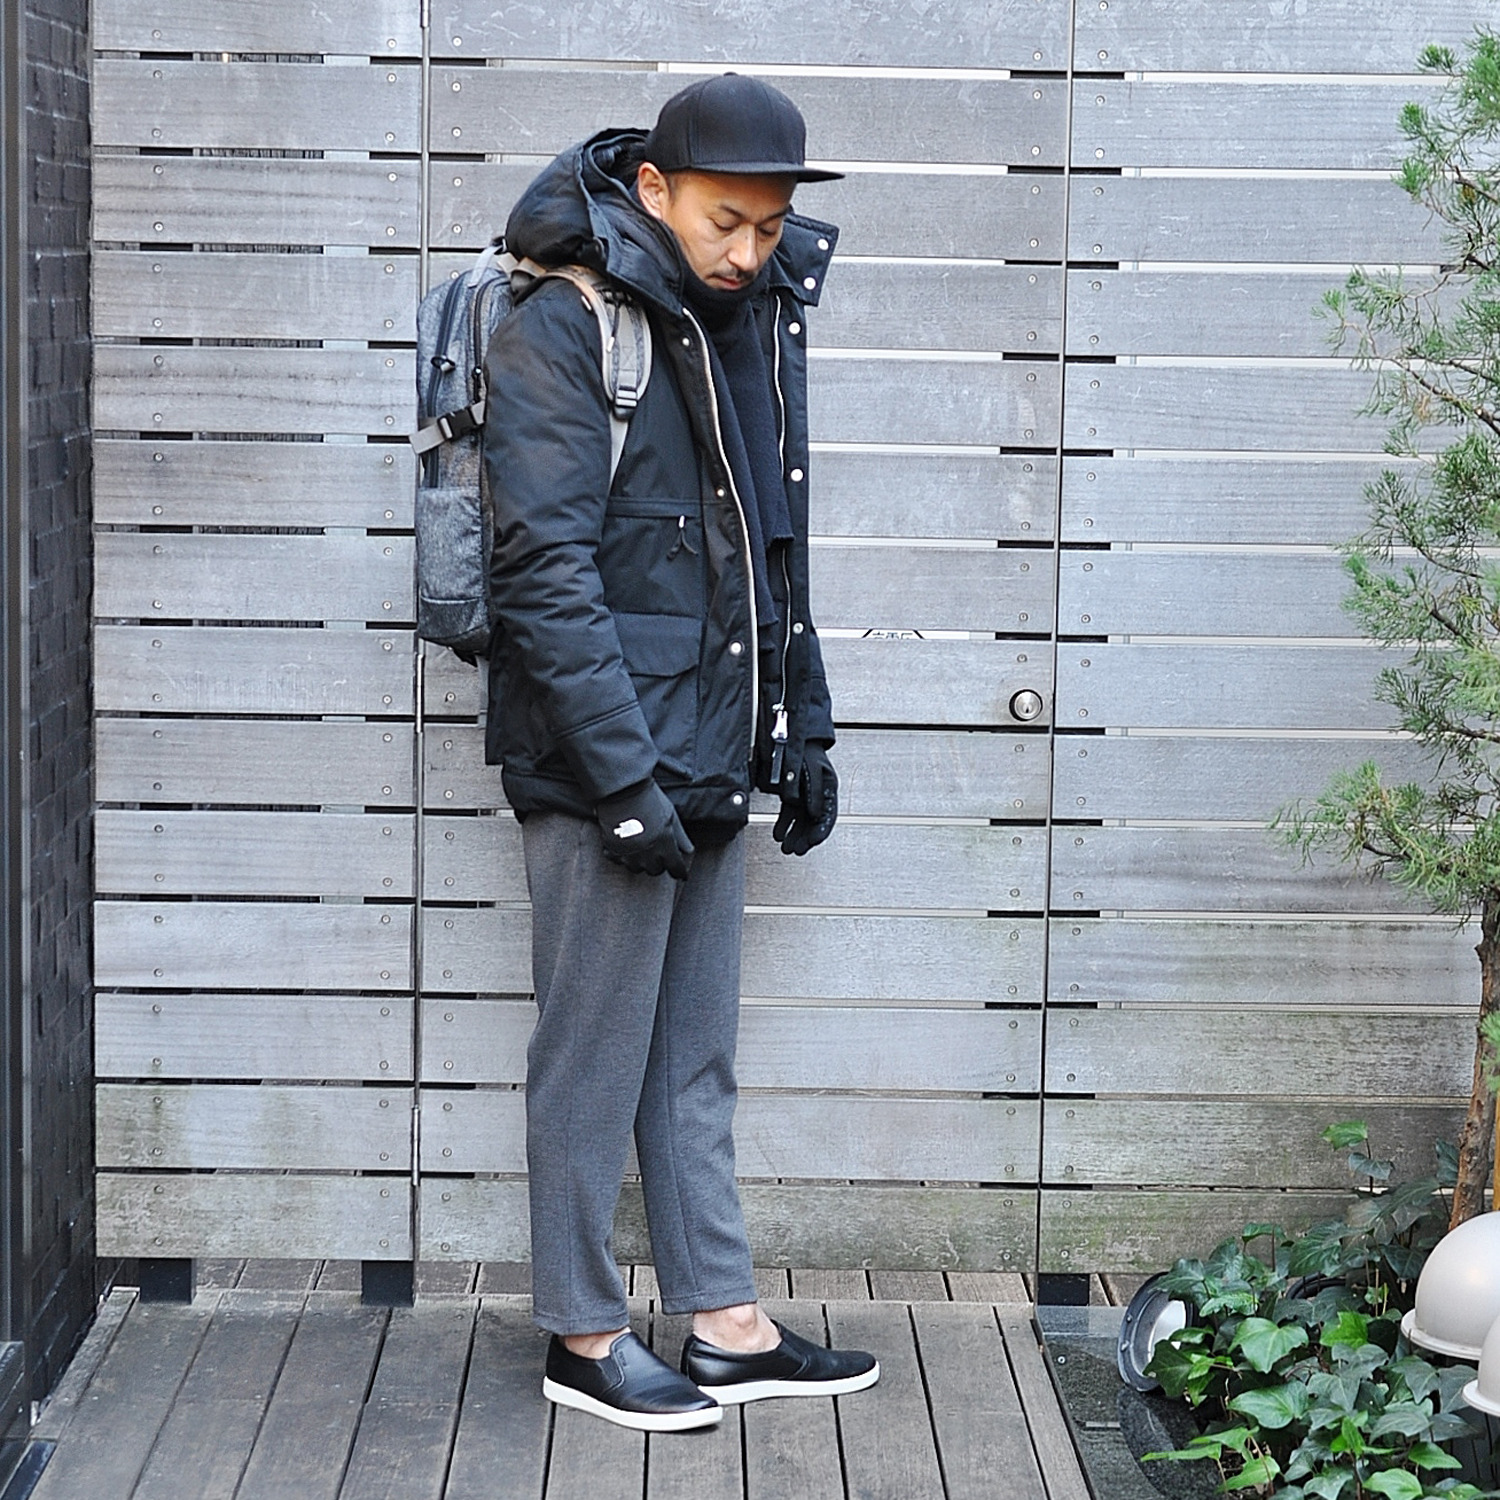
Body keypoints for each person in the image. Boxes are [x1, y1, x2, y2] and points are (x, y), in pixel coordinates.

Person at [481, 73, 880, 1432]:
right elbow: (541, 576)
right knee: (591, 1058)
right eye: (725, 222)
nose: (750, 251)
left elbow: (772, 545)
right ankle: (583, 1336)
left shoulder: (745, 316)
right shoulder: (565, 320)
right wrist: (619, 783)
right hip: (604, 764)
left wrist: (803, 726)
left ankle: (724, 1322)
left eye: (769, 227)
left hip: (709, 746)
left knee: (693, 1054)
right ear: (654, 189)